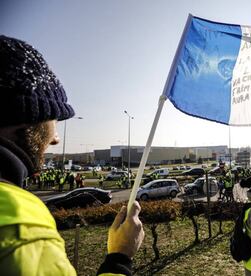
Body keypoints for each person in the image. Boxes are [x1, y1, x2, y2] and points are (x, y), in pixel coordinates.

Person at [0, 35, 144, 275]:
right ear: (25, 117)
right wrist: (119, 258)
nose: (55, 138)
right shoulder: (19, 224)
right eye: (53, 120)